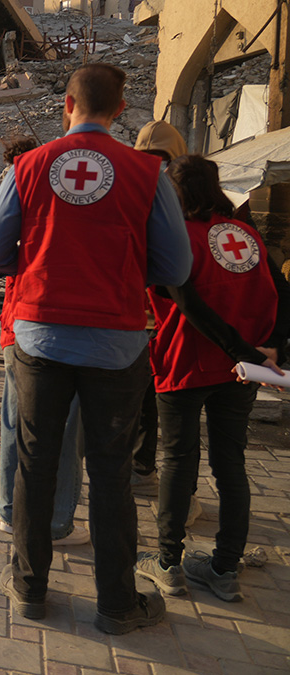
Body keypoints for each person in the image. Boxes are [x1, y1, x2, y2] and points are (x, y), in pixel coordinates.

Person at [0, 63, 192, 635]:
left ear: (66, 103)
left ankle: (28, 588)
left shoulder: (27, 167)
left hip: (39, 337)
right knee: (111, 473)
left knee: (35, 464)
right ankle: (117, 604)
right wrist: (121, 272)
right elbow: (176, 266)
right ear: (121, 110)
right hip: (117, 345)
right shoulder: (148, 173)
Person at [135, 155, 289, 603]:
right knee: (231, 465)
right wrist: (270, 347)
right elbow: (284, 294)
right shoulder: (246, 234)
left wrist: (240, 350)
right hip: (242, 371)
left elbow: (189, 305)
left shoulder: (178, 237)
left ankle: (168, 564)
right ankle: (223, 569)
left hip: (188, 362)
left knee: (179, 462)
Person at [0, 135, 89, 547]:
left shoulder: (21, 189)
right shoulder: (76, 192)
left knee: (16, 425)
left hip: (18, 325)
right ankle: (54, 524)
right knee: (66, 432)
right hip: (64, 327)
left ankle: (10, 513)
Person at [129, 121, 190, 500]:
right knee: (146, 401)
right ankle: (143, 468)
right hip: (147, 317)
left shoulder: (190, 199)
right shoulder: (144, 191)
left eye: (162, 160)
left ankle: (170, 482)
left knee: (162, 404)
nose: (158, 167)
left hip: (166, 318)